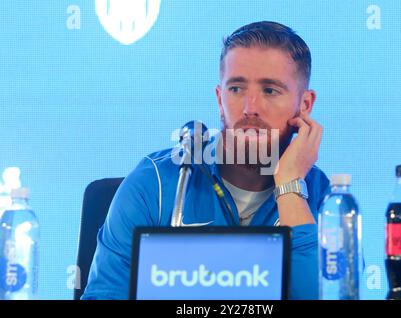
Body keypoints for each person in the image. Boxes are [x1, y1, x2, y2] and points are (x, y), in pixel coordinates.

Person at [81, 21, 329, 300]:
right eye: (236, 89)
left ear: (305, 105)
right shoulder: (156, 182)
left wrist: (290, 187)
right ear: (219, 98)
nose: (250, 108)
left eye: (270, 90)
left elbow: (328, 295)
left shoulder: (323, 197)